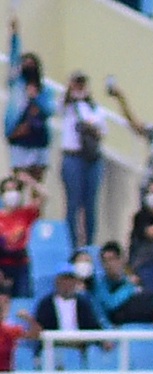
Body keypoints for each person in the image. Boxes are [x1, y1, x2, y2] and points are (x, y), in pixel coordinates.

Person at [58, 73, 107, 249]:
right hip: (72, 156)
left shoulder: (94, 108)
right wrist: (70, 93)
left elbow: (101, 131)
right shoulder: (68, 107)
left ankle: (89, 244)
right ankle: (71, 244)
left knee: (90, 204)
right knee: (73, 203)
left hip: (90, 158)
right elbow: (59, 109)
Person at [5, 25, 53, 183]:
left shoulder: (44, 90)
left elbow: (49, 110)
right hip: (20, 136)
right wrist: (15, 36)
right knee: (18, 180)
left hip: (38, 139)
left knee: (37, 183)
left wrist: (36, 97)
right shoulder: (17, 86)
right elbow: (13, 61)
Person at [0, 172, 44, 299]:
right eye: (8, 190)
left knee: (23, 297)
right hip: (2, 264)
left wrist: (30, 181)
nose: (11, 193)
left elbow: (44, 197)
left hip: (21, 264)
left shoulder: (25, 213)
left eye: (14, 189)